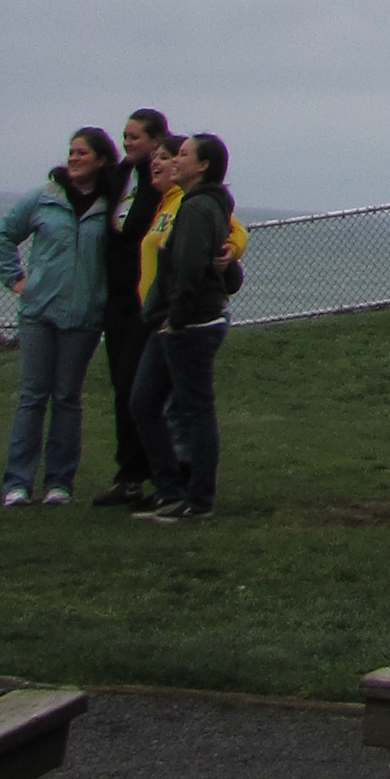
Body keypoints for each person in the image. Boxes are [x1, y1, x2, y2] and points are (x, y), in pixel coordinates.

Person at [0, 128, 119, 506]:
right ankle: (17, 482)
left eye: (82, 152)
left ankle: (59, 483)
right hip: (39, 313)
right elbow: (3, 235)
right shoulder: (44, 198)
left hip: (83, 317)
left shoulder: (110, 205)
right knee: (32, 396)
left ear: (101, 159)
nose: (73, 158)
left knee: (67, 397)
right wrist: (16, 279)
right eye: (71, 152)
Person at [132, 131, 241, 524]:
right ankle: (170, 490)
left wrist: (175, 318)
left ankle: (199, 500)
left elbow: (192, 270)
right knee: (144, 401)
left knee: (195, 410)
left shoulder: (198, 208)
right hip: (175, 322)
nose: (173, 160)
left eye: (182, 154)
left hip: (191, 325)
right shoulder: (198, 205)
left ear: (203, 165)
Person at [96, 110, 176, 508]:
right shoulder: (120, 177)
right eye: (124, 136)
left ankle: (163, 475)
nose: (127, 143)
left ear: (156, 140)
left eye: (135, 137)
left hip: (145, 299)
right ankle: (129, 476)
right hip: (117, 298)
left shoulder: (160, 182)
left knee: (138, 388)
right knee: (121, 386)